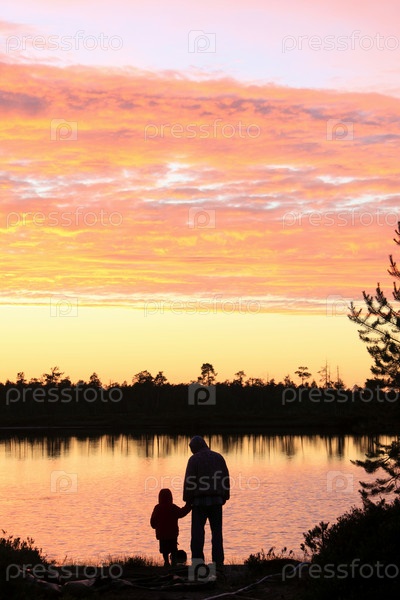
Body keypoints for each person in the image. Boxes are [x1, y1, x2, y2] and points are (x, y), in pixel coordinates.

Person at [183, 436, 230, 568]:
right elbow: (225, 478)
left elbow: (189, 481)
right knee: (217, 533)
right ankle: (218, 562)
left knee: (197, 534)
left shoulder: (194, 460)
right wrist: (225, 495)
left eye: (192, 449)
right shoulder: (218, 458)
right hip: (216, 501)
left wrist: (187, 500)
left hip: (199, 502)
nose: (192, 451)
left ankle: (197, 563)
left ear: (195, 447)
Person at [150, 488, 191, 566]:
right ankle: (174, 562)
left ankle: (166, 562)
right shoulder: (172, 507)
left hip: (162, 535)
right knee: (173, 549)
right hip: (172, 534)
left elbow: (153, 522)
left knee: (164, 550)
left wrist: (155, 526)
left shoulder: (157, 508)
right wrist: (188, 506)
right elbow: (182, 513)